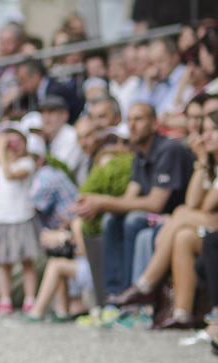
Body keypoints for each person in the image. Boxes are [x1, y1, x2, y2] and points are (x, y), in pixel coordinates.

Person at [73, 101, 194, 297]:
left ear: (154, 123)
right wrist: (98, 204)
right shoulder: (140, 153)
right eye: (129, 119)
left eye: (138, 119)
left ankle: (132, 297)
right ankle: (113, 296)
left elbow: (155, 204)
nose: (131, 125)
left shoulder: (169, 149)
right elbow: (128, 198)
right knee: (112, 219)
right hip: (154, 217)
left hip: (172, 218)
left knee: (133, 219)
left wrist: (103, 201)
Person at [0, 124, 41, 316]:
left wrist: (0, 153)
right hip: (2, 218)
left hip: (21, 217)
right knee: (4, 263)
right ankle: (5, 300)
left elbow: (10, 176)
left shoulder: (27, 164)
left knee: (26, 261)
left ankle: (31, 299)